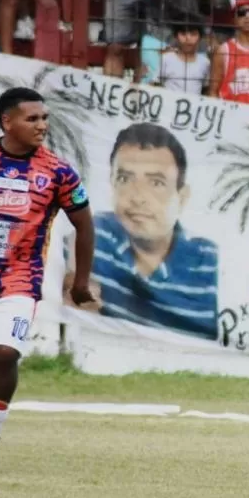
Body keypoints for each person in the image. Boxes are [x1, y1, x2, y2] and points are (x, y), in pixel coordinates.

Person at [0, 88, 96, 474]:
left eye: (44, 118)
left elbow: (84, 224)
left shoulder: (58, 171)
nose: (42, 126)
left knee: (5, 353)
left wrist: (80, 281)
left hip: (19, 280)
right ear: (7, 121)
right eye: (32, 119)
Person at [90, 123, 219, 340]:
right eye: (124, 179)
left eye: (156, 183)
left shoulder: (211, 264)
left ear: (182, 197)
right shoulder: (93, 236)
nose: (137, 196)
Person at [157, 23, 211, 95]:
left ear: (200, 37)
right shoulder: (166, 58)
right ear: (176, 36)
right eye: (183, 34)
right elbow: (155, 84)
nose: (188, 38)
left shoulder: (205, 62)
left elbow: (206, 89)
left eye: (193, 34)